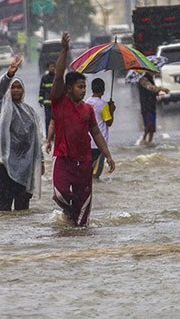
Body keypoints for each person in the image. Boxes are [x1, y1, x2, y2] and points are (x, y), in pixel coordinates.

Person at [50, 32, 116, 227]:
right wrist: (64, 50)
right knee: (59, 194)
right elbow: (58, 77)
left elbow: (96, 133)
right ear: (69, 88)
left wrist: (108, 156)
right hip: (62, 159)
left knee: (83, 213)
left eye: (84, 87)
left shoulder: (87, 109)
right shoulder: (59, 102)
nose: (83, 90)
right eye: (79, 86)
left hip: (84, 161)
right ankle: (69, 214)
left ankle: (80, 240)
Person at [0, 56, 44, 211]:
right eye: (13, 87)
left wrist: (41, 161)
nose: (16, 90)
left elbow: (36, 138)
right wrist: (8, 75)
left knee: (23, 212)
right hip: (5, 168)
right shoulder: (2, 108)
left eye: (19, 87)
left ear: (23, 90)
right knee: (3, 212)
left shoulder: (30, 112)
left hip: (25, 170)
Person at [85, 78, 116, 179]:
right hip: (100, 143)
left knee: (88, 170)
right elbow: (109, 122)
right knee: (96, 173)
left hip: (88, 141)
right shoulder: (103, 105)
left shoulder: (86, 102)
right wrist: (112, 110)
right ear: (103, 90)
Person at [138, 56, 170, 145]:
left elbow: (152, 91)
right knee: (149, 125)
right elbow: (150, 88)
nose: (155, 71)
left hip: (151, 105)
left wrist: (158, 94)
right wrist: (162, 89)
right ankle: (144, 140)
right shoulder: (143, 79)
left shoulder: (151, 79)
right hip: (146, 106)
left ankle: (149, 142)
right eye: (153, 70)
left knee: (152, 128)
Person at [38, 62, 55, 137]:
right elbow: (42, 89)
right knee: (48, 119)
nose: (53, 68)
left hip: (56, 103)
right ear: (48, 68)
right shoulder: (45, 78)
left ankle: (55, 135)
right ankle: (49, 135)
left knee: (56, 120)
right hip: (47, 103)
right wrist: (41, 100)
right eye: (51, 67)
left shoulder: (57, 77)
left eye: (54, 67)